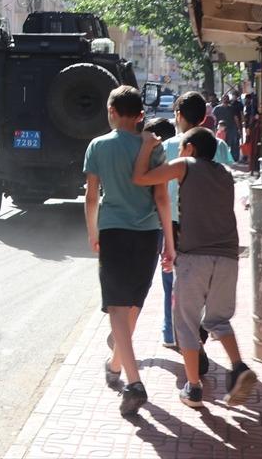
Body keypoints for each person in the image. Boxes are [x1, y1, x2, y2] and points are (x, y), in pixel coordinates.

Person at [133, 127, 258, 409]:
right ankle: (238, 367)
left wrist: (145, 148)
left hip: (194, 259)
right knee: (218, 319)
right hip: (228, 257)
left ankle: (194, 388)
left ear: (190, 148)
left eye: (181, 148)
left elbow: (141, 178)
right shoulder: (225, 175)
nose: (178, 153)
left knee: (187, 324)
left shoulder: (185, 165)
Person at [83, 85, 175, 417]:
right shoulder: (152, 147)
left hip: (114, 232)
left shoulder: (98, 146)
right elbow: (162, 197)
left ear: (110, 112)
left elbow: (92, 196)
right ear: (140, 115)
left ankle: (134, 383)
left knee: (119, 309)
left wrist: (94, 233)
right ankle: (116, 364)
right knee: (132, 305)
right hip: (148, 235)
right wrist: (170, 243)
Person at [158, 92, 234, 354]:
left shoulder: (168, 146)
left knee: (172, 281)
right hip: (209, 226)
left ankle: (172, 332)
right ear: (204, 116)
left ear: (178, 115)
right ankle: (195, 332)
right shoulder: (218, 146)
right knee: (201, 284)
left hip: (174, 223)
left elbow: (158, 188)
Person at [212, 93, 241, 162]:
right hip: (221, 129)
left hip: (231, 128)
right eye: (224, 99)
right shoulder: (217, 108)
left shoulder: (232, 108)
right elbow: (214, 119)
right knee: (222, 144)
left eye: (226, 98)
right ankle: (222, 158)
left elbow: (236, 118)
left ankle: (234, 158)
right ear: (221, 100)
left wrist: (238, 128)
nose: (225, 100)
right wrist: (215, 128)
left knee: (234, 143)